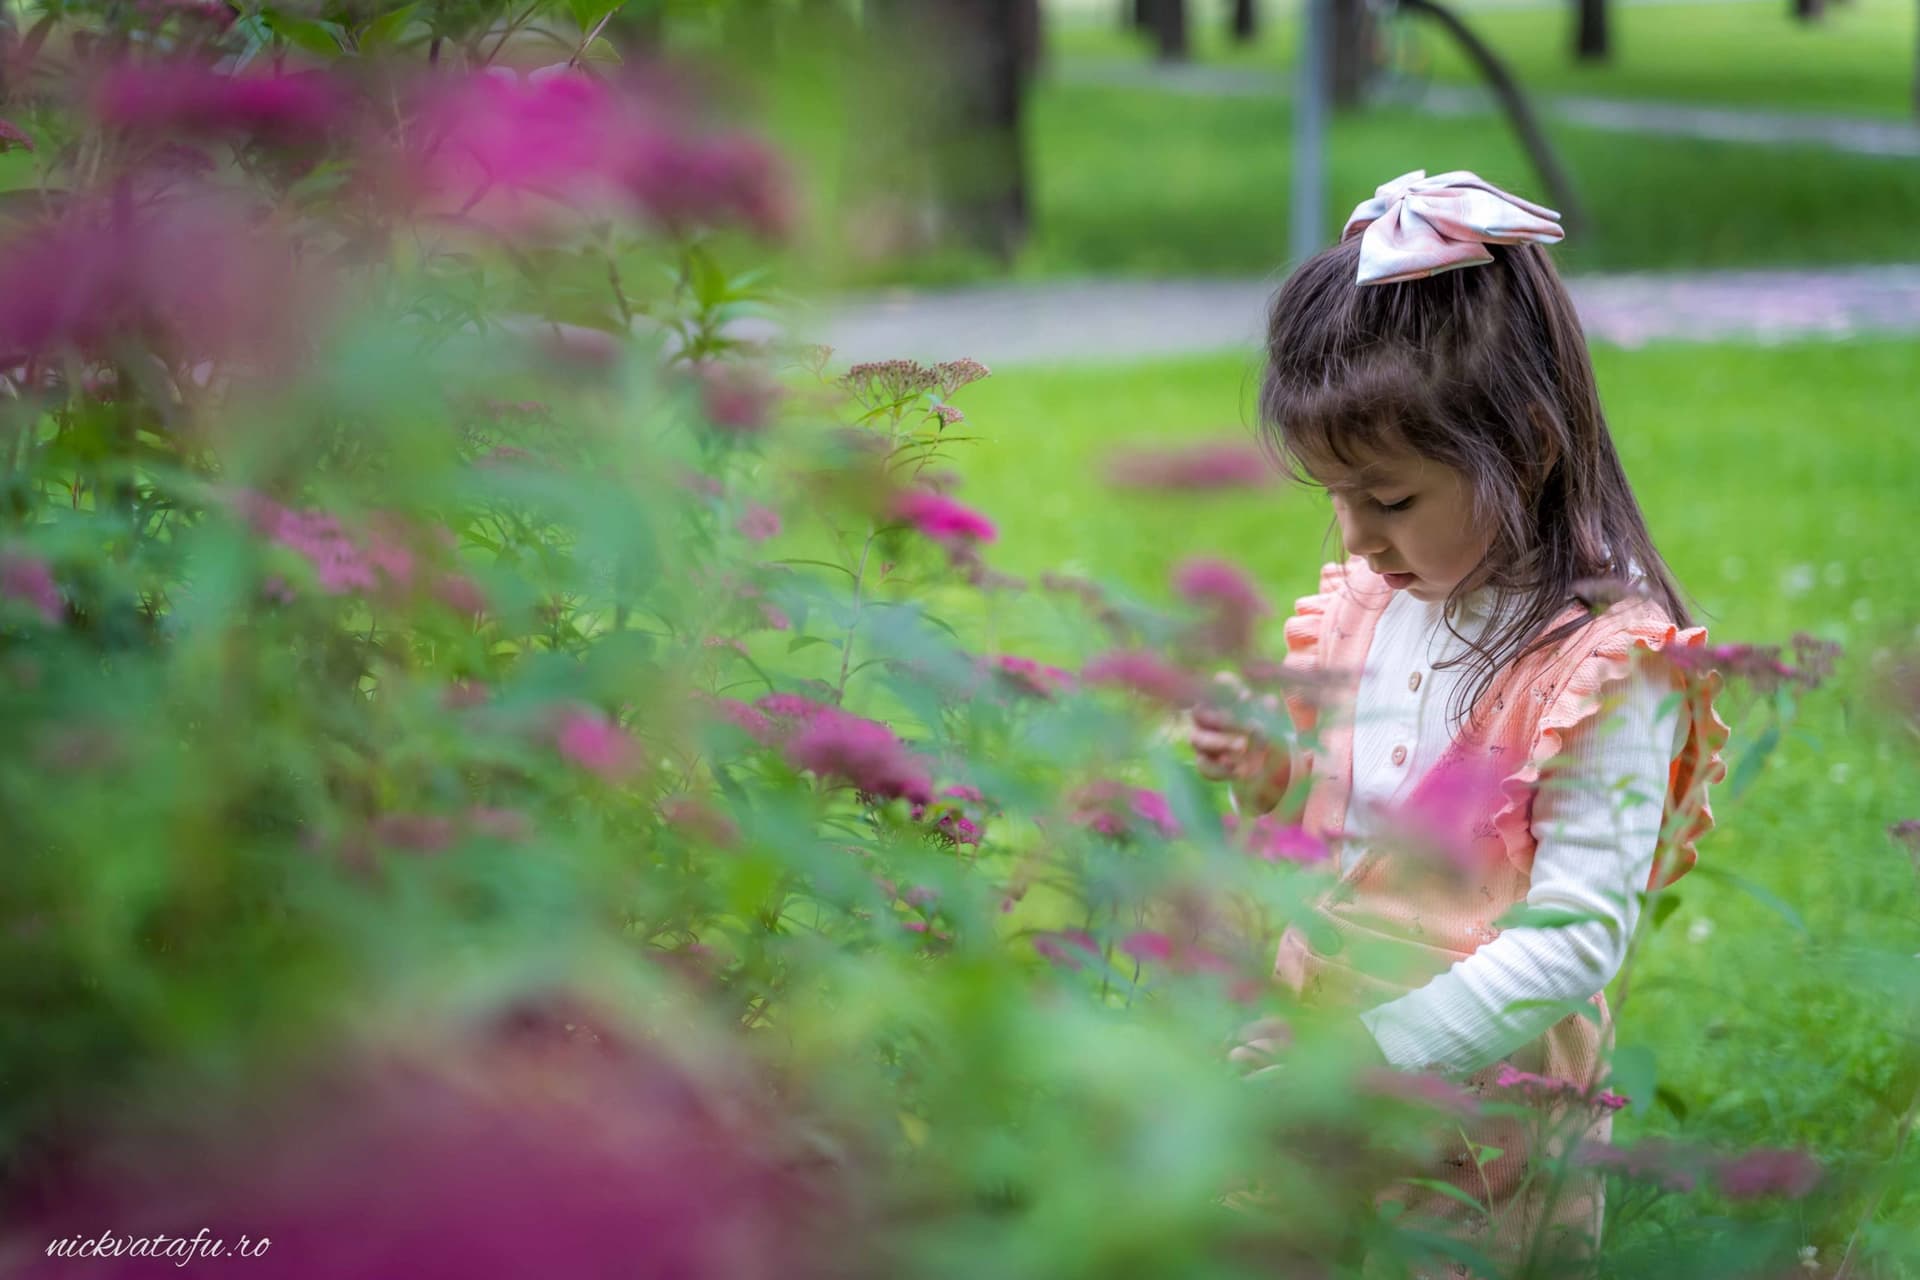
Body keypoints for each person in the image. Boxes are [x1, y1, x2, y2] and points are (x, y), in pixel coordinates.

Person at [1189, 170, 1730, 1275]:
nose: (1354, 538)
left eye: (1388, 500)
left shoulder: (1603, 671)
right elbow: (1341, 799)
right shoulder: (1375, 601)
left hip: (1484, 1101)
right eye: (1334, 497)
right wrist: (1265, 765)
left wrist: (1378, 1059)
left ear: (1528, 447)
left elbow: (1572, 938)